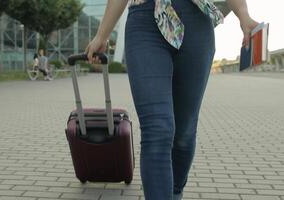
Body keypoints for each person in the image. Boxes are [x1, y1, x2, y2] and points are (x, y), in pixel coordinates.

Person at [84, 0, 259, 199]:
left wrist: (243, 15)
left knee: (183, 134)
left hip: (197, 22)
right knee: (158, 129)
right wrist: (102, 35)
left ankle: (175, 191)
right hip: (145, 23)